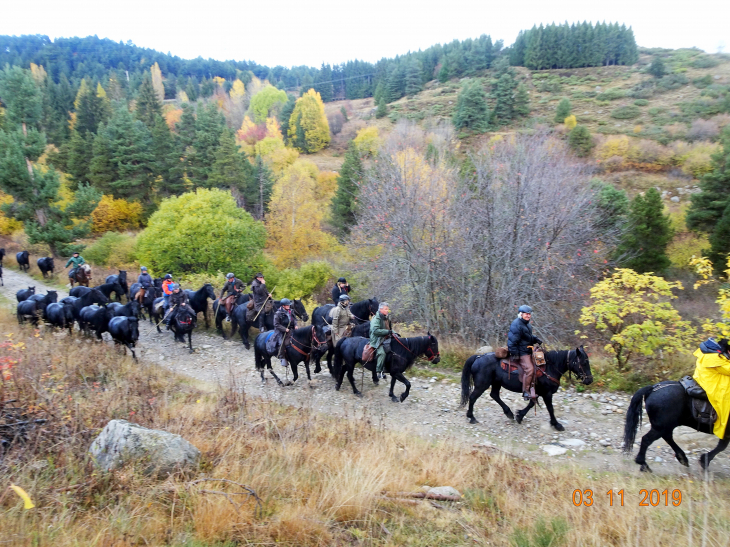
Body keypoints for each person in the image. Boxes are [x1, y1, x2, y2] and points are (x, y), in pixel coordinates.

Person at [693, 338, 730, 439]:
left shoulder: (709, 352)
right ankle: (724, 426)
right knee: (726, 400)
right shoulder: (716, 359)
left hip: (702, 378)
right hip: (711, 384)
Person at [508, 305, 543, 401]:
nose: (528, 316)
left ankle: (537, 386)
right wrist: (515, 354)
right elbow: (512, 341)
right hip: (522, 352)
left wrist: (535, 339)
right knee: (530, 369)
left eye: (529, 314)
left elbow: (527, 336)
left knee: (541, 362)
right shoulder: (516, 324)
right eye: (526, 314)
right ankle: (526, 391)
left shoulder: (526, 324)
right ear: (521, 314)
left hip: (528, 350)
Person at [270, 298, 297, 368]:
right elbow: (276, 324)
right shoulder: (278, 314)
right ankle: (282, 357)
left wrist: (296, 325)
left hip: (291, 329)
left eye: (289, 305)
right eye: (287, 305)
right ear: (283, 306)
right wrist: (285, 329)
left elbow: (294, 319)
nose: (289, 306)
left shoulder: (291, 311)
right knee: (281, 342)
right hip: (280, 331)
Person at [369, 302, 392, 380]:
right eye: (386, 309)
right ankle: (379, 371)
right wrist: (387, 332)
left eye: (387, 309)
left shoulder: (387, 317)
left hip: (386, 337)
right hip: (377, 339)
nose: (387, 311)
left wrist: (395, 334)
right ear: (381, 309)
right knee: (381, 352)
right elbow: (375, 331)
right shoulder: (376, 318)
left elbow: (390, 329)